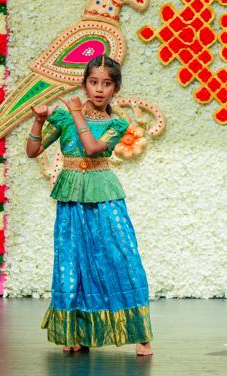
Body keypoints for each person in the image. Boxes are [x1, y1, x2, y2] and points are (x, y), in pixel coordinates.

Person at [26, 55, 153, 356]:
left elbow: (93, 148)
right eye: (93, 82)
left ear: (115, 89)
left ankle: (141, 335)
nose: (99, 89)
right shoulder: (64, 118)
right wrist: (39, 120)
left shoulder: (117, 123)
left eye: (106, 84)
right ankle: (77, 333)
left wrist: (76, 113)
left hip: (103, 193)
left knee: (121, 256)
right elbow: (33, 150)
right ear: (84, 84)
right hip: (72, 196)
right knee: (73, 261)